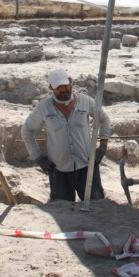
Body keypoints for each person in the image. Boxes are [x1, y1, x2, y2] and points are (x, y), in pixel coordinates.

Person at [20, 69, 112, 202]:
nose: (63, 90)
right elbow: (27, 130)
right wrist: (38, 156)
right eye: (58, 88)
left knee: (96, 208)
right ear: (51, 87)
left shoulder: (86, 102)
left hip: (87, 167)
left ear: (71, 83)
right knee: (63, 211)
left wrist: (103, 146)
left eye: (65, 86)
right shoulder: (44, 108)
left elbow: (104, 119)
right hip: (59, 171)